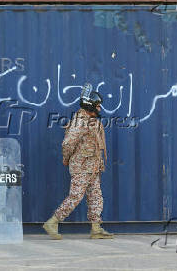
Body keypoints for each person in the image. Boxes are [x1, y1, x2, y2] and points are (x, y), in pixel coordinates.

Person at [43, 83, 113, 240]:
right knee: (75, 196)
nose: (100, 109)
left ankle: (96, 229)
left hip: (93, 166)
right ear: (89, 106)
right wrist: (66, 159)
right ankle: (52, 222)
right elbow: (67, 143)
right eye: (97, 106)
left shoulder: (92, 119)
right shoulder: (80, 122)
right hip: (82, 166)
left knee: (96, 196)